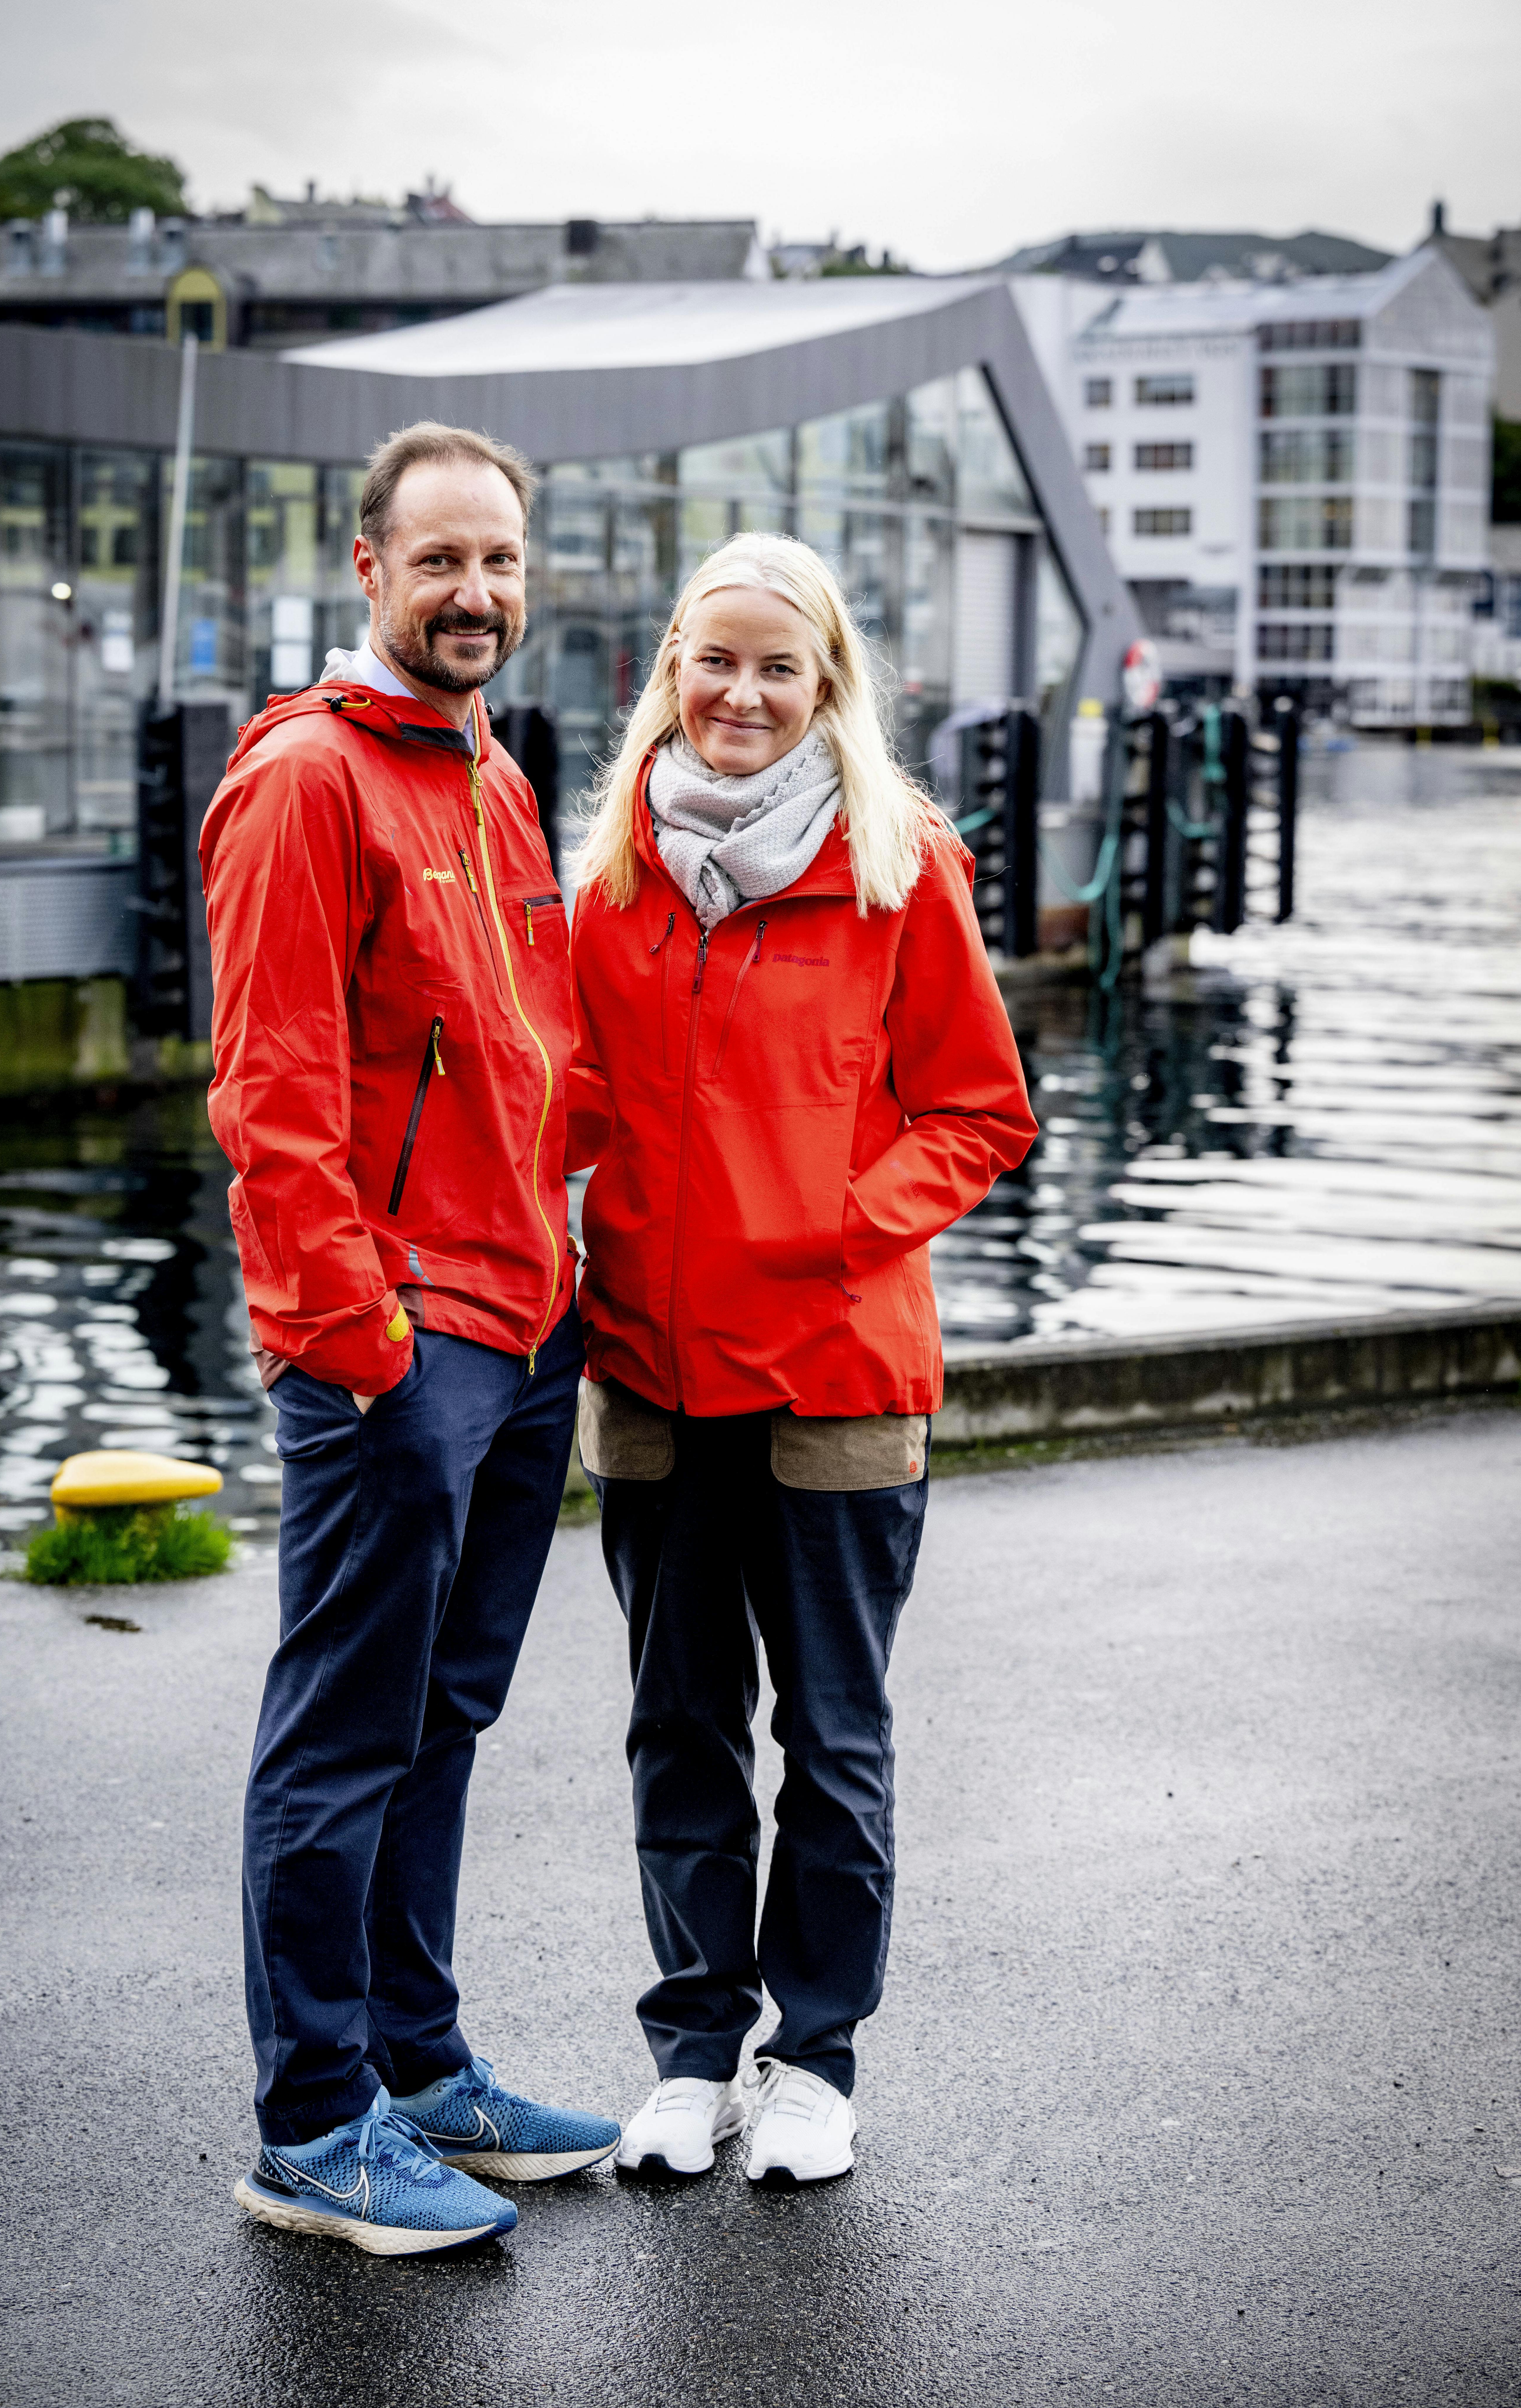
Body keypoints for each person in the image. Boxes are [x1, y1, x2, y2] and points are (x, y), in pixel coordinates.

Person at [566, 533, 1036, 2188]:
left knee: (830, 1735)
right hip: (651, 1369)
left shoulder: (904, 866)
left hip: (838, 1368)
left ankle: (816, 2058)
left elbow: (983, 1113)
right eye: (716, 661)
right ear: (669, 673)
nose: (743, 693)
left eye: (780, 665)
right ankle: (694, 2054)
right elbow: (570, 1104)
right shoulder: (607, 881)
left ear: (828, 682)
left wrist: (833, 1223)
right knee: (678, 1721)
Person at [201, 421, 620, 2258]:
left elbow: (535, 1054)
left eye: (503, 562)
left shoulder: (493, 780)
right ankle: (312, 2126)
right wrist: (358, 1344)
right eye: (441, 559)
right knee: (348, 1724)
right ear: (368, 568)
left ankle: (417, 2064)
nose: (477, 593)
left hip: (522, 1326)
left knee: (445, 1713)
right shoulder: (308, 782)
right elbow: (273, 1099)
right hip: (397, 1341)